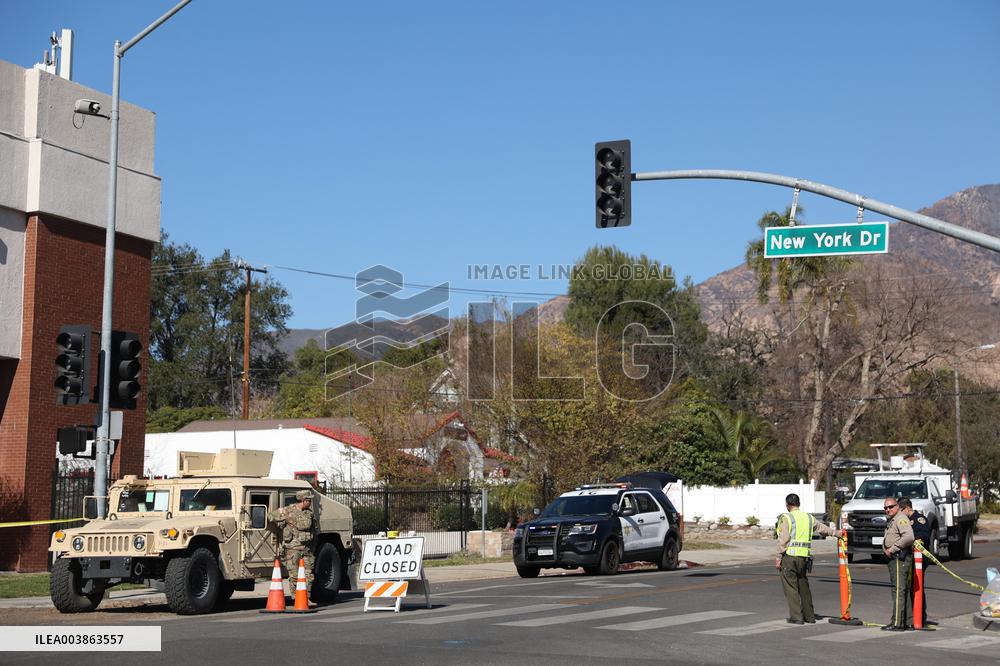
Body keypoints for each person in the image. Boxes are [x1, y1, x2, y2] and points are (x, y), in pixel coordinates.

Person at [775, 493, 837, 624]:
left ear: (787, 505)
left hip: (789, 557)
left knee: (791, 588)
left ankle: (796, 617)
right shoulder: (809, 518)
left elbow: (783, 540)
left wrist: (778, 557)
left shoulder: (786, 517)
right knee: (804, 586)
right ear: (799, 504)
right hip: (804, 558)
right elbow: (822, 528)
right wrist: (836, 533)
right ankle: (810, 616)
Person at [269, 490, 317, 601]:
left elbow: (314, 531)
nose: (310, 502)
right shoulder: (287, 511)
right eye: (308, 500)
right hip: (293, 549)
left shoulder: (309, 513)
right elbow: (271, 516)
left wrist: (313, 547)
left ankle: (306, 598)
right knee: (294, 575)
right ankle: (296, 598)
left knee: (309, 575)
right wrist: (281, 525)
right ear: (303, 500)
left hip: (307, 549)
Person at [880, 497, 915, 631]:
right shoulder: (893, 519)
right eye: (885, 508)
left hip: (899, 558)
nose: (888, 510)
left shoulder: (901, 518)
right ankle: (907, 621)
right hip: (894, 559)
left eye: (891, 507)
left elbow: (909, 537)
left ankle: (897, 623)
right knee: (901, 590)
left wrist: (892, 549)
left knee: (898, 591)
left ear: (897, 506)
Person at [898, 498, 930, 626]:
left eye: (901, 511)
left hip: (919, 560)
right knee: (909, 588)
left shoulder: (919, 519)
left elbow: (922, 536)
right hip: (910, 559)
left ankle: (920, 616)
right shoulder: (904, 521)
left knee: (917, 588)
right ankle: (910, 617)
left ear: (907, 508)